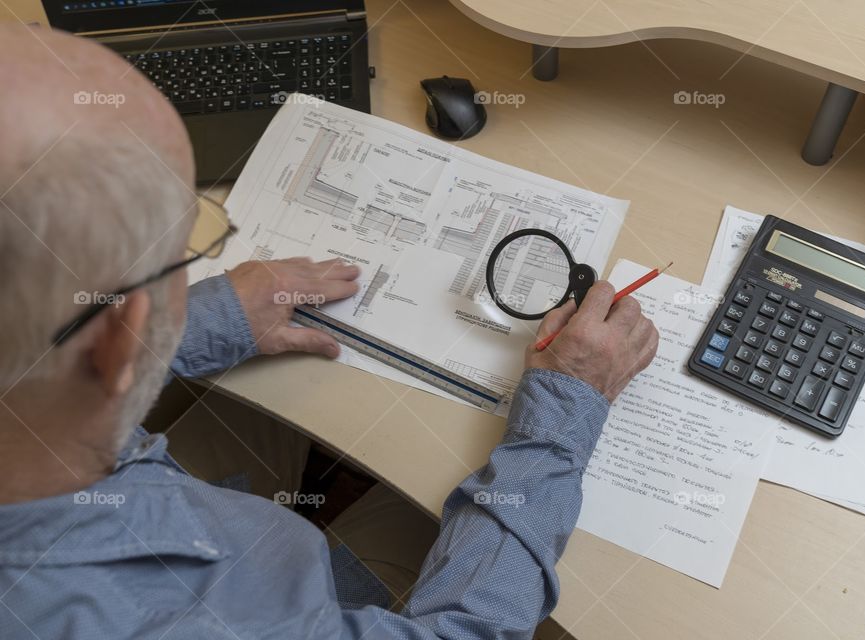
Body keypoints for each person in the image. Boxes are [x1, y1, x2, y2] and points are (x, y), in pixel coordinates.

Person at [0, 24, 659, 640]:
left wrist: (209, 318)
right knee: (417, 518)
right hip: (280, 591)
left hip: (170, 505)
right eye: (185, 244)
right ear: (119, 343)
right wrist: (566, 411)